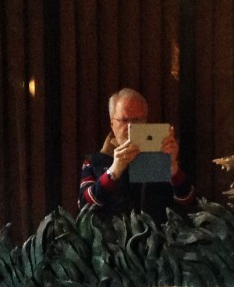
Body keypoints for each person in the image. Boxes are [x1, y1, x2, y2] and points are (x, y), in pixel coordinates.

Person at [78, 88, 195, 220]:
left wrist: (172, 167)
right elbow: (84, 206)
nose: (130, 127)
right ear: (112, 123)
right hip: (110, 233)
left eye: (137, 120)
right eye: (124, 120)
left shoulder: (160, 156)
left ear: (146, 121)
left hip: (158, 232)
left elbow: (188, 202)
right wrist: (113, 172)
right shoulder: (95, 162)